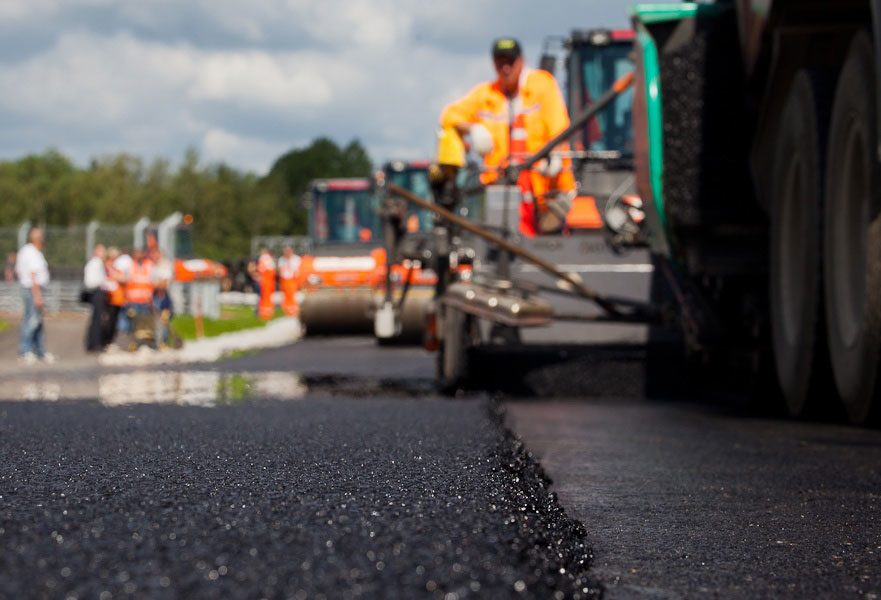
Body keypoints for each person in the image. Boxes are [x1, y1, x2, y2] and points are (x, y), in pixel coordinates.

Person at [439, 37, 577, 236]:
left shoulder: (542, 85)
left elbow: (558, 125)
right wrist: (472, 129)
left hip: (547, 191)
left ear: (521, 60)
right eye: (500, 62)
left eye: (510, 62)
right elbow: (449, 115)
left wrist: (555, 156)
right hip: (503, 193)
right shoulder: (486, 95)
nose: (505, 68)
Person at [15, 227, 54, 364]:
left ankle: (39, 351)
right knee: (32, 321)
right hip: (33, 289)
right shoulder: (32, 253)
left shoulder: (27, 251)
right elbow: (33, 275)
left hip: (30, 289)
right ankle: (25, 351)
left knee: (36, 321)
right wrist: (37, 296)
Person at [83, 244, 107, 352]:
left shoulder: (97, 263)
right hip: (96, 292)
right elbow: (91, 281)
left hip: (97, 291)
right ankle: (94, 344)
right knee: (97, 319)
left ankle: (94, 343)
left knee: (96, 319)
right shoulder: (96, 263)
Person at [102, 247, 126, 348]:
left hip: (117, 298)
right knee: (108, 321)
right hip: (109, 298)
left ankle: (110, 341)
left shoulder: (115, 267)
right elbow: (116, 278)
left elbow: (123, 278)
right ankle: (106, 341)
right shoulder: (106, 267)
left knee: (114, 321)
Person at [277, 245, 301, 317]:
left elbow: (298, 270)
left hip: (293, 279)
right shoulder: (282, 259)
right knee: (285, 296)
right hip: (284, 280)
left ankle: (293, 309)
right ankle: (287, 310)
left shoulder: (296, 259)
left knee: (292, 295)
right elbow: (280, 270)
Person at [256, 247, 276, 320]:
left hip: (265, 281)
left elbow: (261, 269)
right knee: (267, 297)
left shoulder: (264, 258)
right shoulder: (270, 259)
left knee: (264, 297)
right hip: (269, 281)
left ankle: (265, 313)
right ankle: (268, 312)